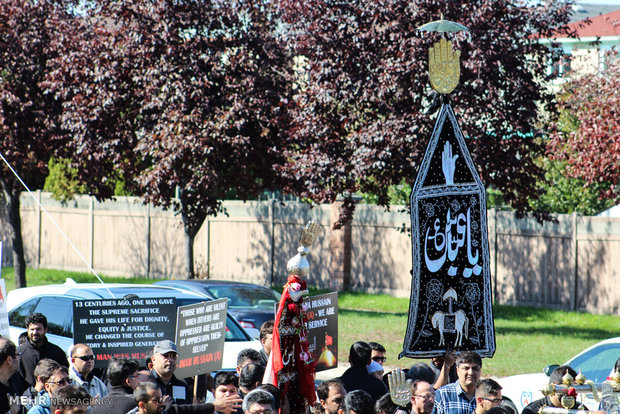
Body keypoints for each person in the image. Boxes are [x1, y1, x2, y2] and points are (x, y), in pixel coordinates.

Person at [19, 313, 69, 388]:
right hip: (27, 397)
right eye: (32, 329)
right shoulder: (19, 353)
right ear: (27, 330)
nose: (35, 333)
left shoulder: (57, 352)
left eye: (38, 329)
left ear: (45, 330)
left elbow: (65, 377)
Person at [521, 366, 586, 414]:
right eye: (566, 390)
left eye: (575, 390)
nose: (571, 394)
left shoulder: (580, 410)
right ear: (552, 388)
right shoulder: (532, 411)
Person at [150, 340, 191, 404]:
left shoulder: (182, 386)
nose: (170, 360)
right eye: (165, 356)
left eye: (173, 356)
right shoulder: (146, 383)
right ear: (153, 359)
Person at [0, 338, 22, 414]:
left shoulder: (14, 379)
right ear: (10, 360)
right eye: (17, 355)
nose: (19, 358)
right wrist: (11, 412)